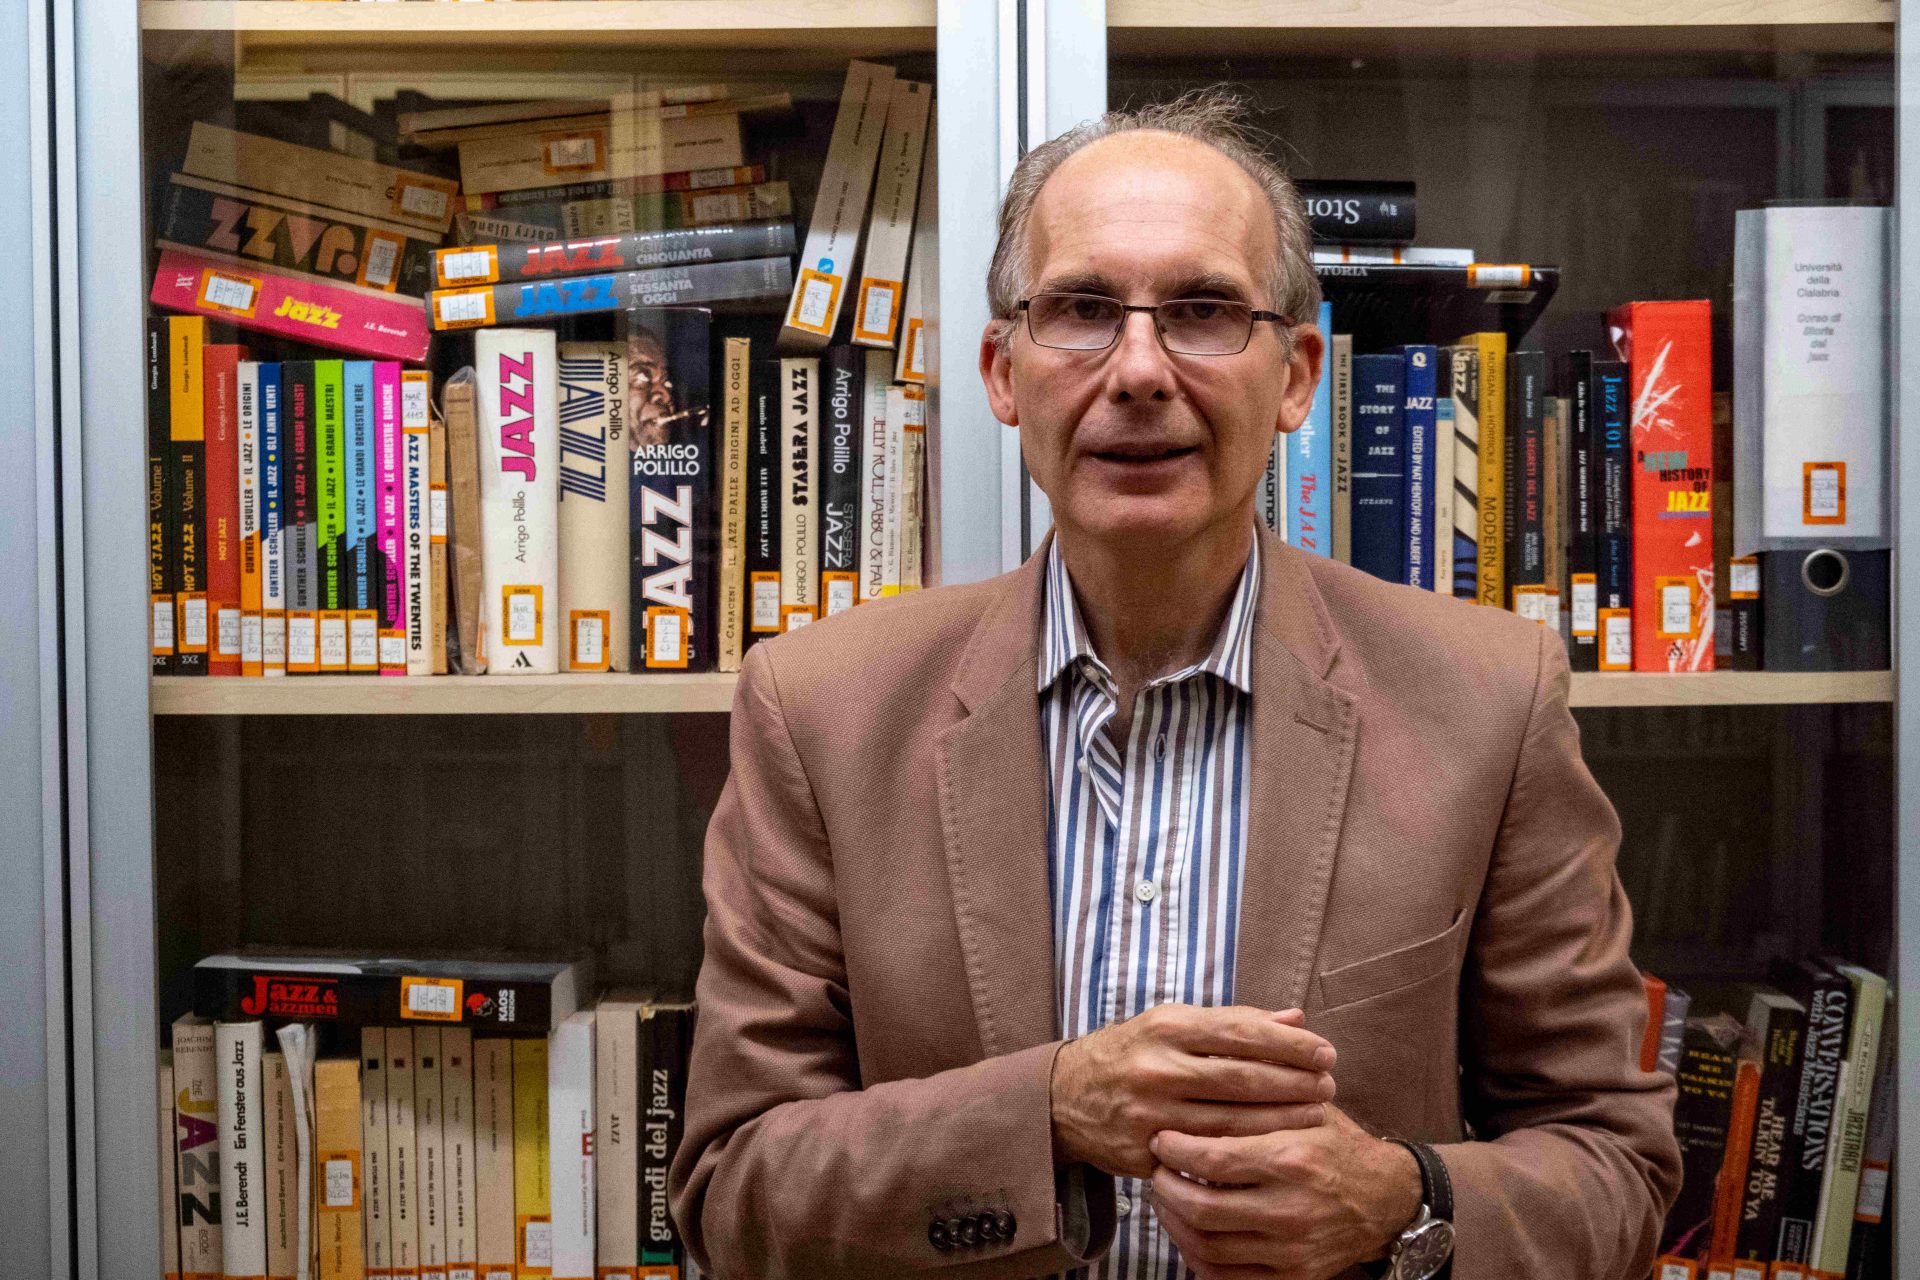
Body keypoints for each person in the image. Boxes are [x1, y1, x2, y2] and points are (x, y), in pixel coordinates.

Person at [669, 88, 1681, 1280]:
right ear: (1001, 370)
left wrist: (1402, 1202)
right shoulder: (820, 710)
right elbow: (733, 1188)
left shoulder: (1489, 700)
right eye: (1083, 310)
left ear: (1297, 375)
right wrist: (1046, 1111)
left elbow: (1617, 1167)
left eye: (1203, 311)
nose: (1140, 370)